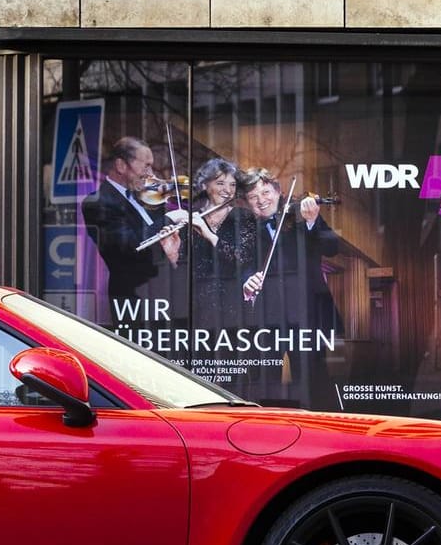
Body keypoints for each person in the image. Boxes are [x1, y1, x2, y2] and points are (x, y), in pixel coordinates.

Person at [238, 168, 345, 411]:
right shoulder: (246, 231)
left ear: (278, 193)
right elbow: (241, 266)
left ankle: (321, 426)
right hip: (266, 318)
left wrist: (312, 221)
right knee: (265, 379)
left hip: (306, 315)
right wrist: (247, 282)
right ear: (247, 203)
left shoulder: (300, 221)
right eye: (254, 197)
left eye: (266, 192)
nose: (261, 200)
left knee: (313, 378)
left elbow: (331, 247)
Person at [81, 136, 182, 328]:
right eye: (146, 166)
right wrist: (170, 218)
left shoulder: (147, 198)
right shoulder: (98, 202)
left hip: (167, 294)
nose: (150, 173)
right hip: (134, 297)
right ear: (121, 165)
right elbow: (129, 245)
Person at [184, 157, 262, 378]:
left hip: (230, 305)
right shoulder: (191, 216)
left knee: (232, 370)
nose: (227, 190)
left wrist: (207, 233)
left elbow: (241, 258)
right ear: (205, 185)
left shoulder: (243, 218)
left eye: (232, 184)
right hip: (196, 306)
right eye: (220, 183)